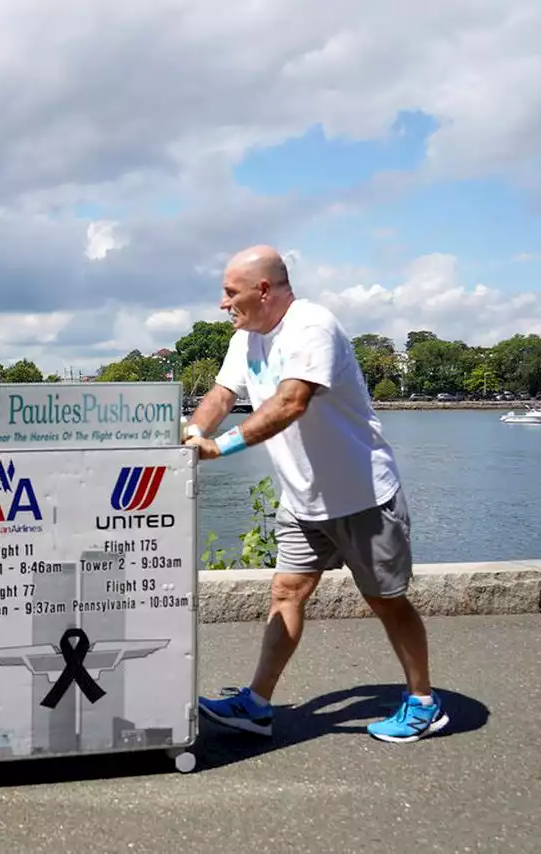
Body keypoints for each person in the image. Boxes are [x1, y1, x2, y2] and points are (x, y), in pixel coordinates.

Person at [184, 244, 448, 744]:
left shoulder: (311, 326)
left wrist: (222, 446)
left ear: (263, 290)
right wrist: (192, 433)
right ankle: (256, 705)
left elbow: (291, 401)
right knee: (286, 592)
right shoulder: (246, 337)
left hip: (363, 496)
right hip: (303, 500)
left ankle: (424, 703)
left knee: (387, 601)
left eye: (229, 292)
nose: (223, 303)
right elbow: (222, 394)